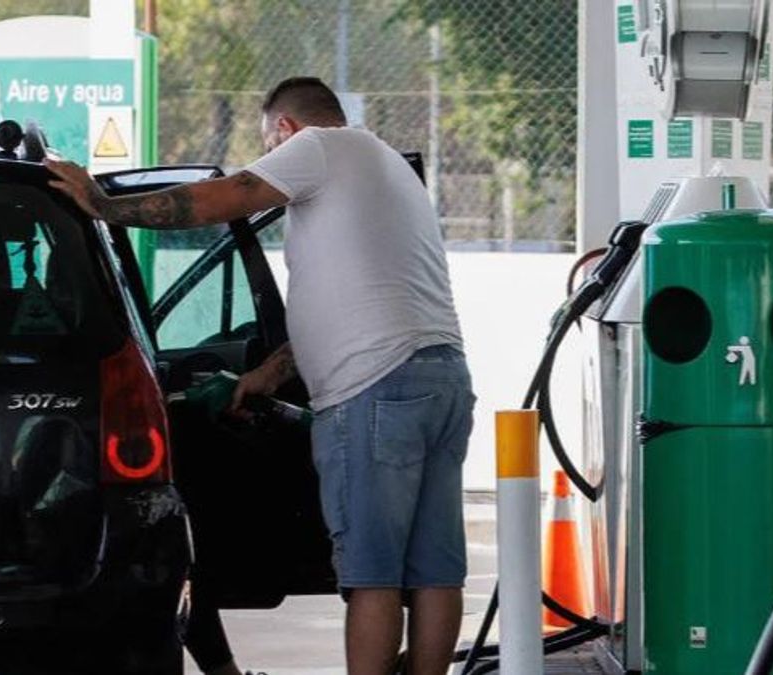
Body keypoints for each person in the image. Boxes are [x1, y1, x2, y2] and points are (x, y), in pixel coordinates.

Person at [46, 76, 474, 675]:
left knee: (372, 576)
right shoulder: (385, 167)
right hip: (442, 379)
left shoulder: (317, 147)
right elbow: (356, 299)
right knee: (433, 572)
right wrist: (267, 375)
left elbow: (226, 196)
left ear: (284, 129)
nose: (268, 158)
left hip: (373, 391)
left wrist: (102, 204)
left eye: (266, 144)